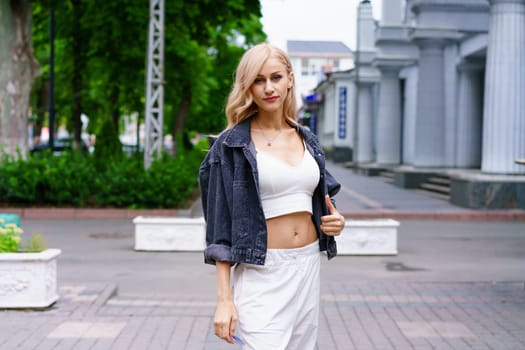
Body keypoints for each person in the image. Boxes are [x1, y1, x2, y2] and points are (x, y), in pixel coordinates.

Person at [199, 42, 345, 350]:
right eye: (258, 80)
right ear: (248, 87)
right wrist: (224, 301)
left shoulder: (308, 140)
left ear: (290, 78)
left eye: (275, 77)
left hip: (307, 265)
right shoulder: (229, 147)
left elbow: (321, 201)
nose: (268, 88)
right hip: (261, 272)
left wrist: (335, 223)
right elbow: (219, 231)